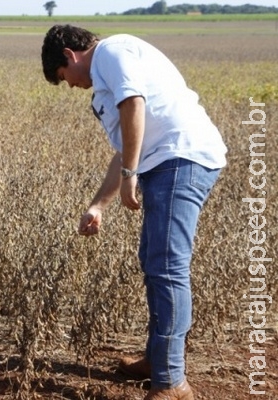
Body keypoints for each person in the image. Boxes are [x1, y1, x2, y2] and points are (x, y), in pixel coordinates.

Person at [41, 25, 227, 400]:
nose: (73, 86)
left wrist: (130, 175)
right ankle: (159, 360)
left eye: (65, 78)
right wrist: (98, 204)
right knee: (154, 261)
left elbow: (134, 105)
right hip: (167, 161)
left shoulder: (112, 51)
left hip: (181, 158)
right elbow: (128, 143)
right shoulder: (109, 72)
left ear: (69, 56)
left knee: (167, 267)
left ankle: (172, 383)